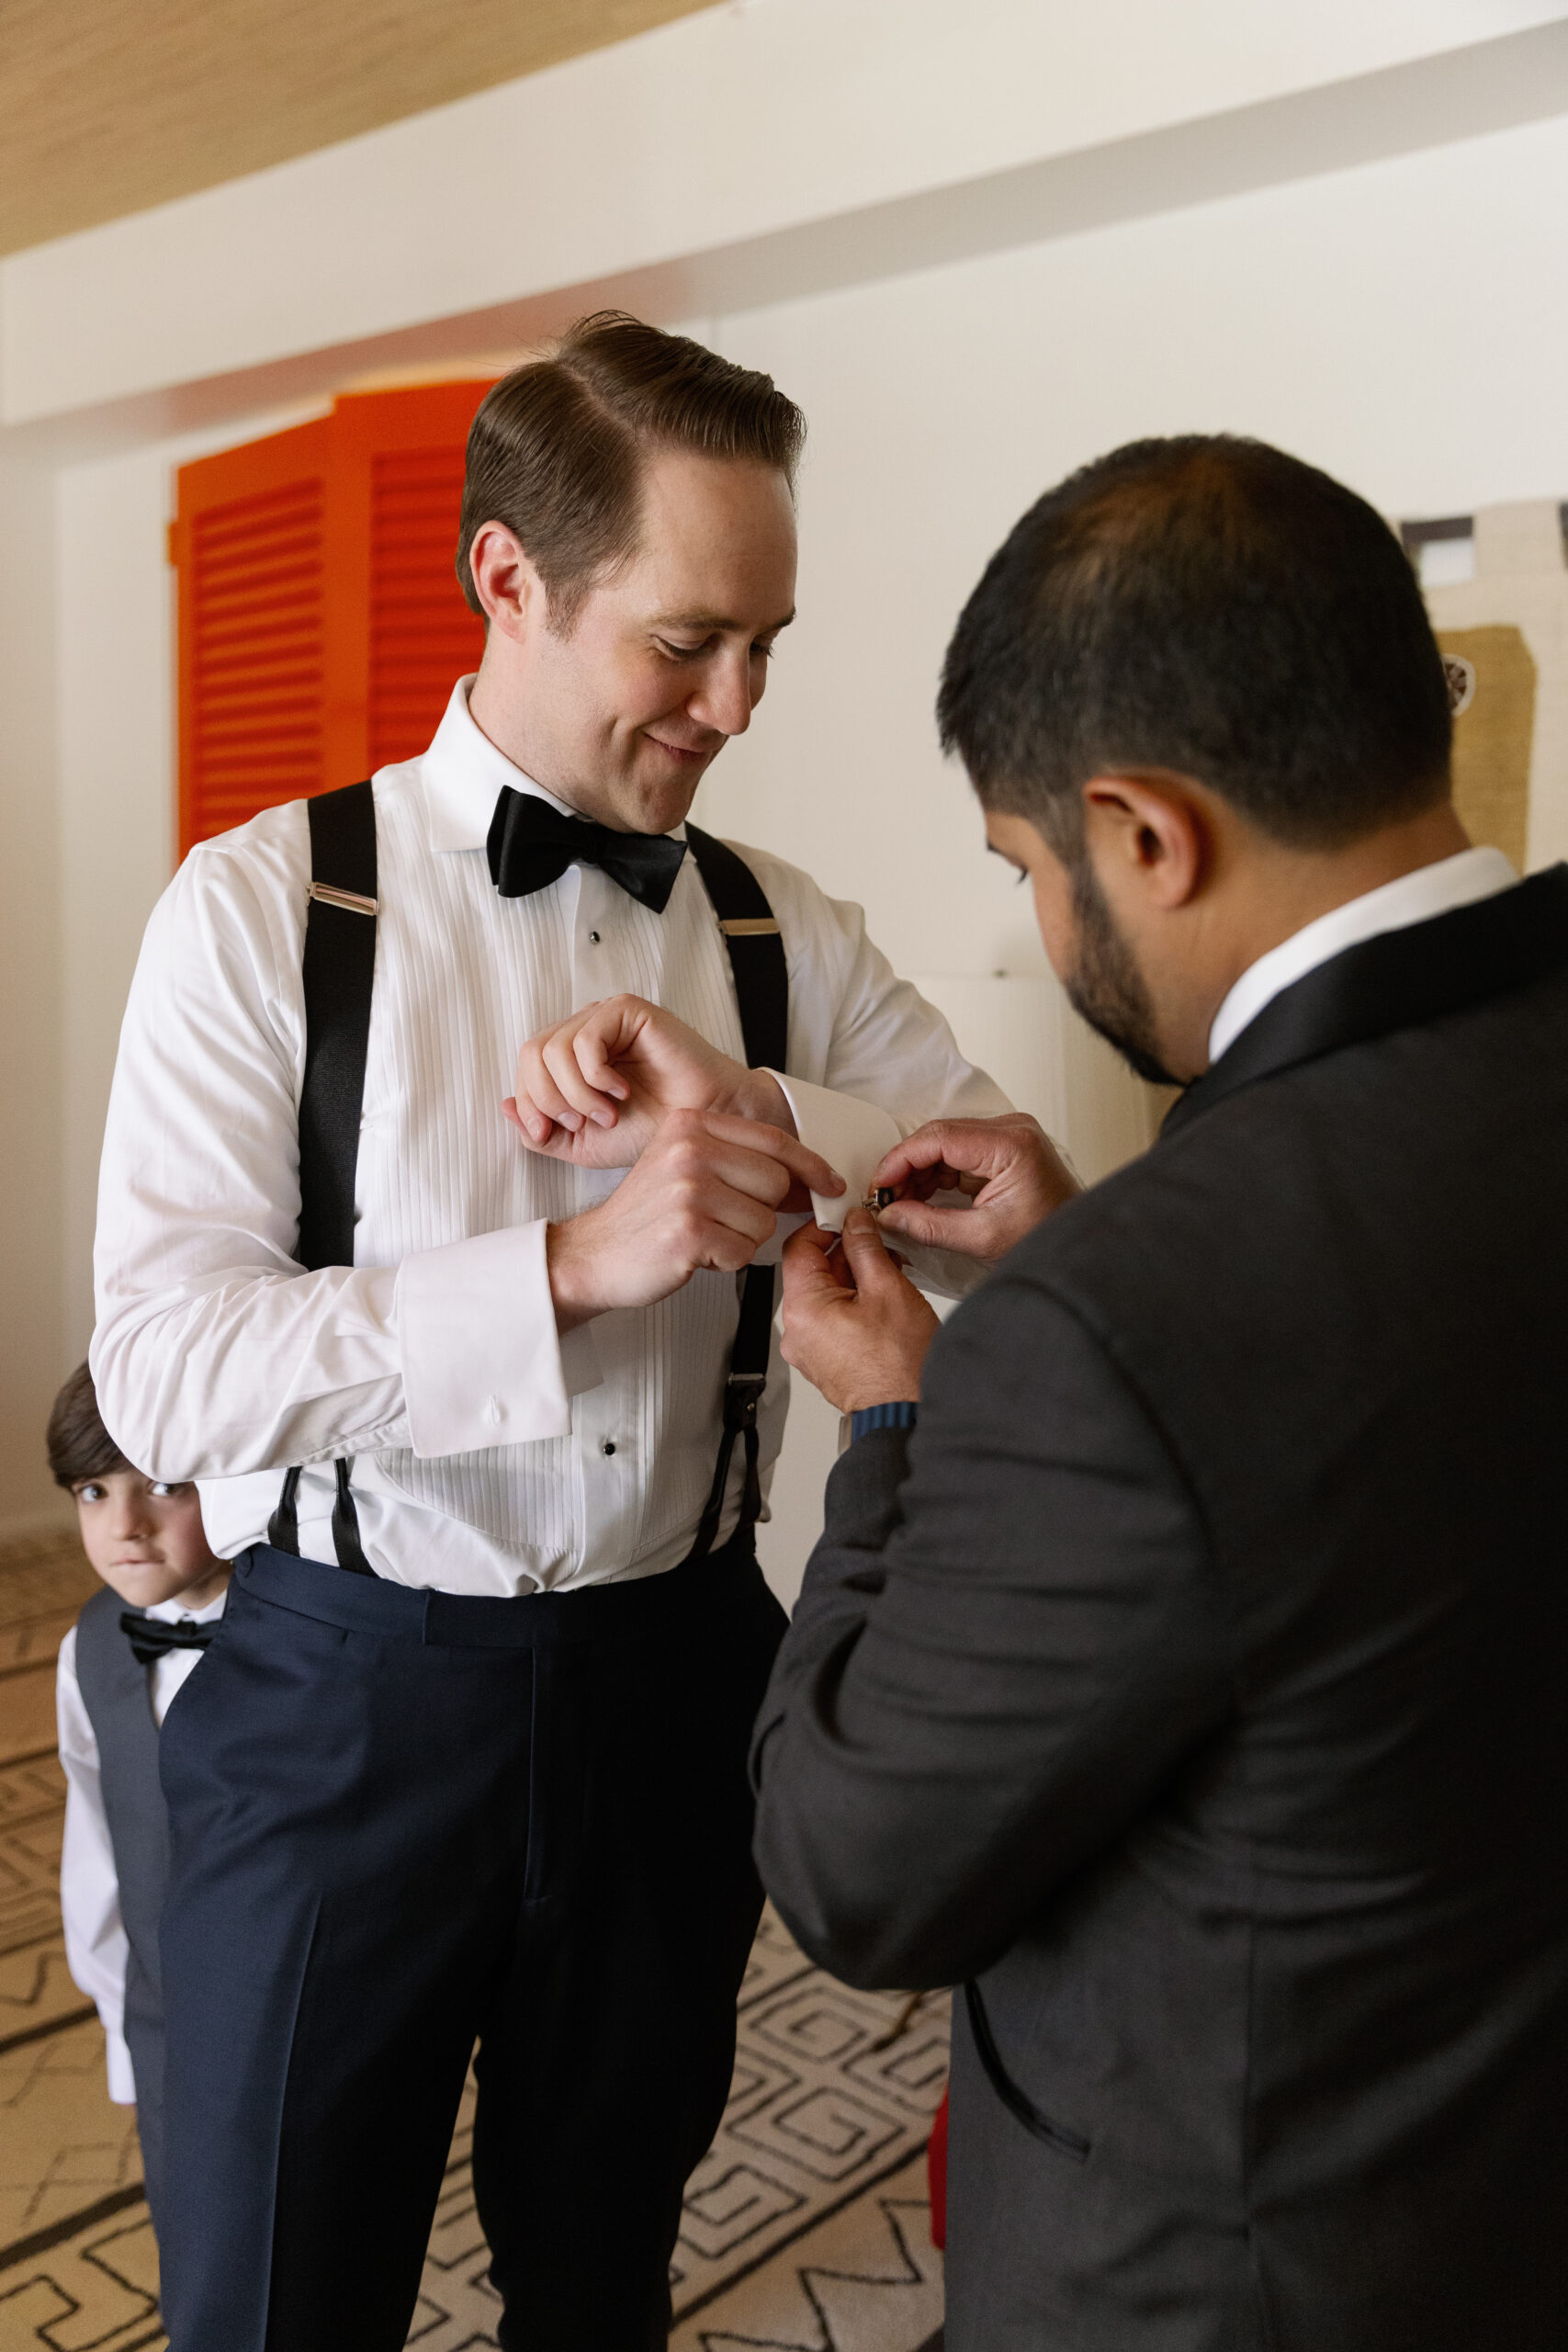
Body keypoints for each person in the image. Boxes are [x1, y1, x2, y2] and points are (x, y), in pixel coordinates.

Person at [90, 311, 1009, 2352]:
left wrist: (748, 1108)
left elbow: (988, 1175)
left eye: (770, 640)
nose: (740, 700)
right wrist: (574, 1271)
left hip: (674, 1696)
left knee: (600, 2278)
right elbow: (160, 1365)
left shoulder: (782, 930)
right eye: (689, 641)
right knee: (271, 2301)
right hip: (336, 1707)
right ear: (509, 577)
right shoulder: (257, 909)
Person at [751, 435, 1568, 2351]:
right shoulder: (1176, 1276)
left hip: (1231, 2276)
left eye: (1025, 865)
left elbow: (857, 1867)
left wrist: (896, 1421)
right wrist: (1099, 1262)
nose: (1044, 921)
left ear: (1141, 831)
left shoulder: (1126, 1321)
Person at [49, 1361, 229, 2241]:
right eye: (91, 1490)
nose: (124, 1527)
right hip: (162, 2016)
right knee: (191, 2233)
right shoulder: (88, 1650)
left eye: (165, 1484)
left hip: (306, 2013)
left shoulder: (315, 1650)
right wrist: (129, 2033)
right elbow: (97, 1850)